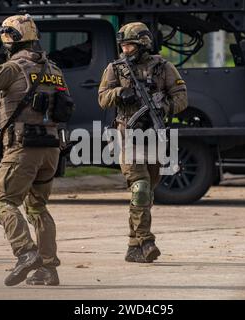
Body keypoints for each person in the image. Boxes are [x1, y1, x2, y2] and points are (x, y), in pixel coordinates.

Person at [0, 14, 70, 286]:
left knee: (4, 203)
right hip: (51, 150)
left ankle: (25, 253)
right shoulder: (54, 70)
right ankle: (48, 269)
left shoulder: (13, 68)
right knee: (37, 207)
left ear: (12, 40)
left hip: (23, 149)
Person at [98, 22, 188, 263]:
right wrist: (119, 93)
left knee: (147, 192)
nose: (125, 50)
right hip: (126, 136)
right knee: (140, 187)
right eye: (123, 46)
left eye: (129, 45)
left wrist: (163, 107)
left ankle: (132, 245)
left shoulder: (163, 67)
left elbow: (181, 97)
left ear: (143, 44)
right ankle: (146, 241)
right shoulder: (115, 69)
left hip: (153, 136)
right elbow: (102, 98)